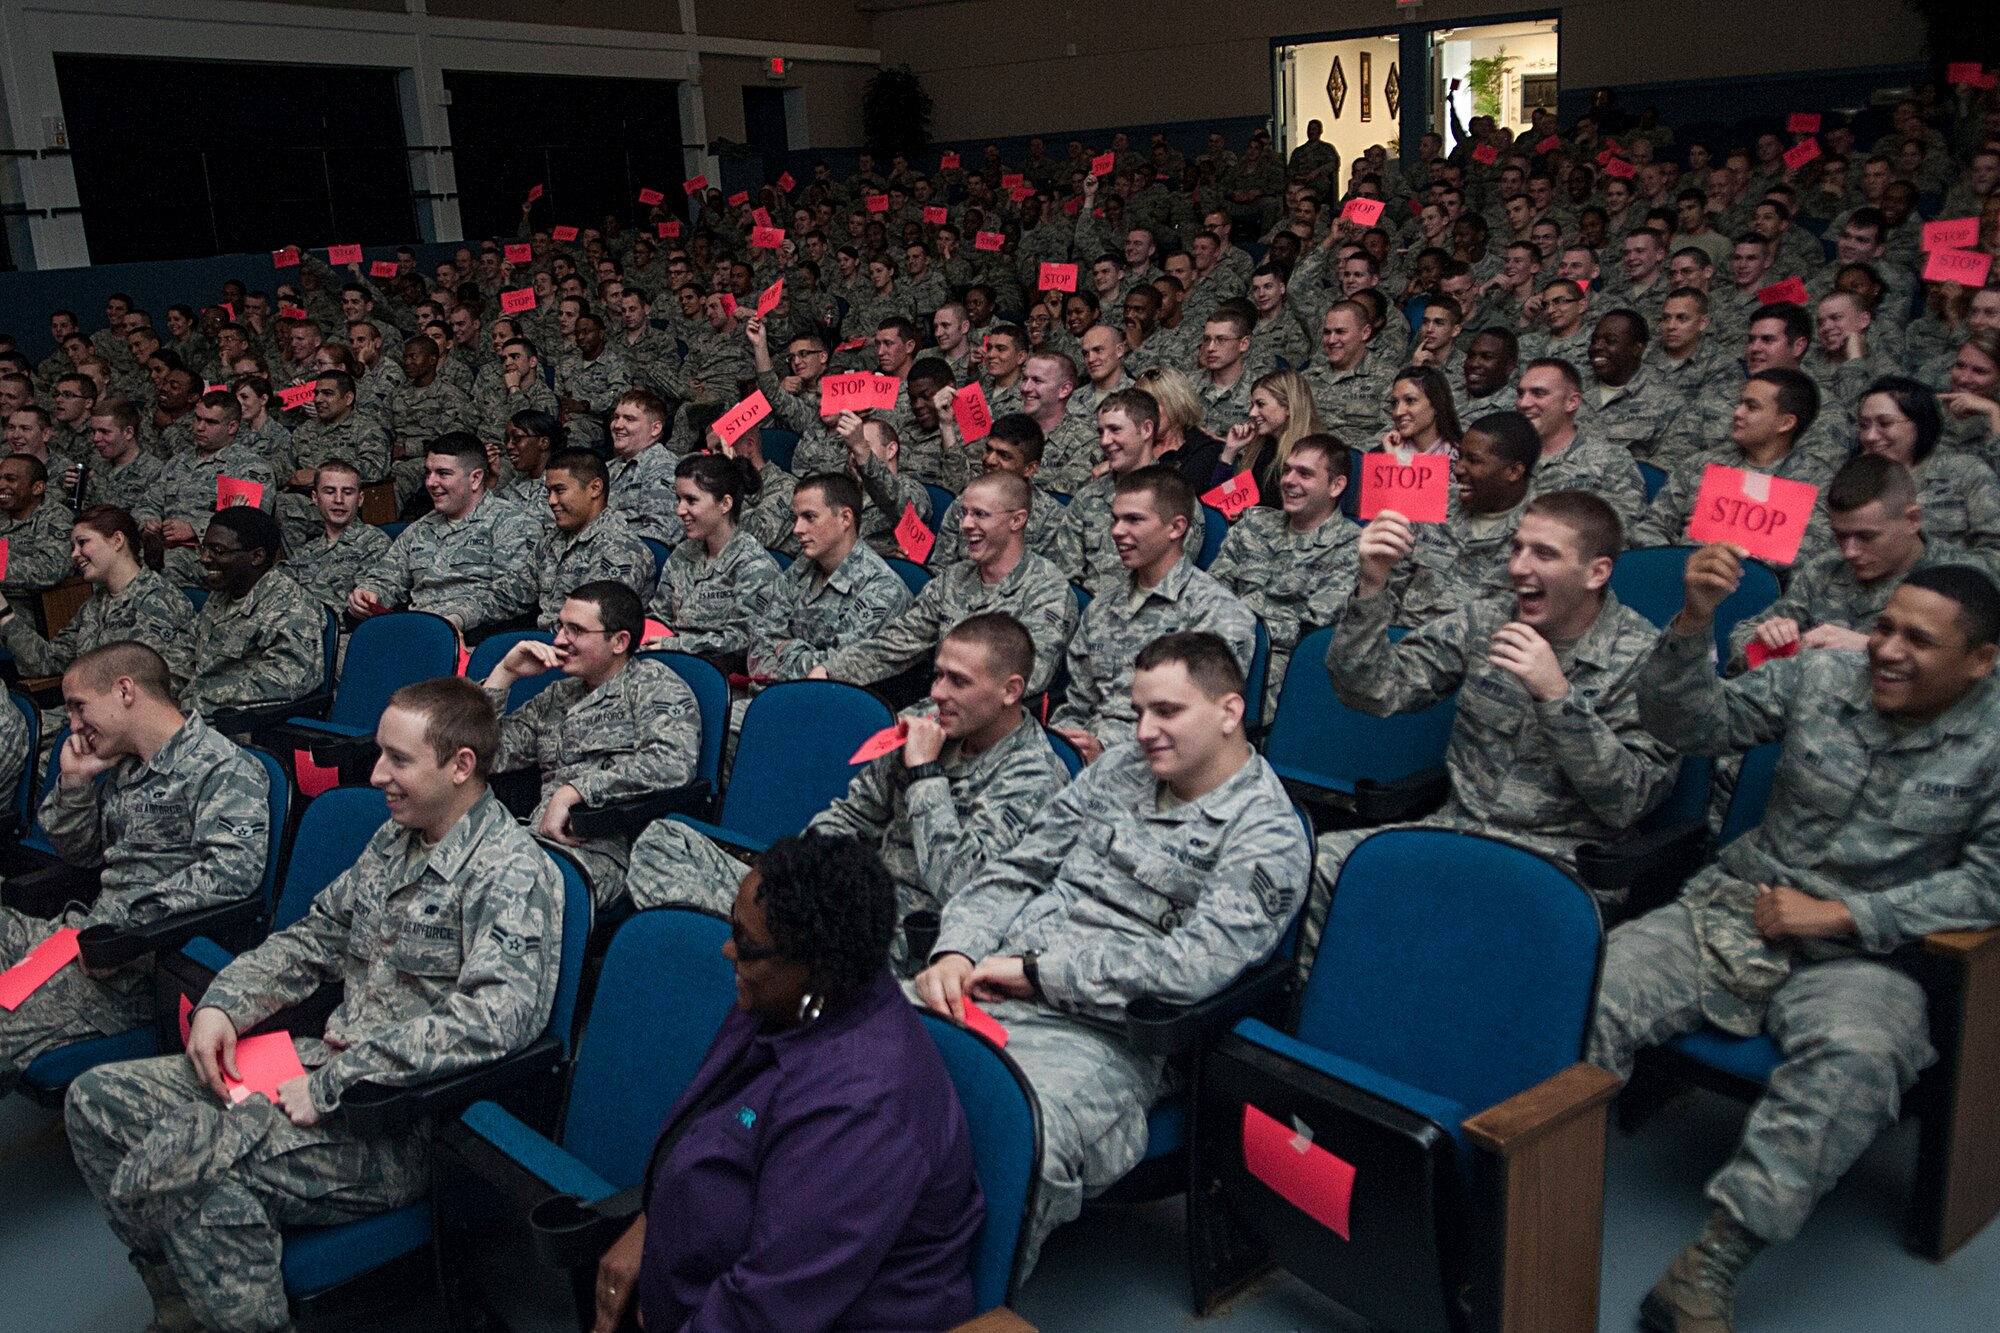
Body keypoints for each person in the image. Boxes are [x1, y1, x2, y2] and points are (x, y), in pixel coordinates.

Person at [65, 676, 562, 1333]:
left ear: (460, 764)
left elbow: (497, 1019)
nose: (377, 773)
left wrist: (335, 1082)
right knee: (96, 1102)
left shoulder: (511, 869)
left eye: (399, 759)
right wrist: (224, 1004)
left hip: (395, 1119)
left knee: (187, 1160)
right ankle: (186, 1296)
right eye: (380, 753)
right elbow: (315, 937)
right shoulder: (395, 840)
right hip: (312, 1070)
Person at [1589, 558, 2000, 1333]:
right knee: (1593, 988)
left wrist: (1845, 912)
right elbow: (1687, 725)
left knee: (1860, 1060)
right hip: (1740, 907)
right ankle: (1532, 1210)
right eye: (1884, 626)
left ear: (1981, 660)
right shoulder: (1824, 676)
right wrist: (1692, 625)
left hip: (1869, 954)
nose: (1887, 649)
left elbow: (1988, 882)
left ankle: (1709, 1267)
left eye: (1920, 639)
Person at [912, 631, 1310, 1272]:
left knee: (1014, 1136)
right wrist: (957, 950)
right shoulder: (1125, 768)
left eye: (1168, 711)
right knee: (844, 1054)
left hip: (1109, 1035)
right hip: (993, 975)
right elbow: (1019, 868)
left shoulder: (1266, 832)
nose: (1146, 730)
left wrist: (1038, 977)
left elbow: (1191, 969)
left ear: (1230, 712)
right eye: (1139, 710)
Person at [592, 833, 983, 1333]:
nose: (728, 949)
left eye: (748, 945)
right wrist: (650, 1226)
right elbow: (702, 1126)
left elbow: (767, 1310)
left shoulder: (863, 1108)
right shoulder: (787, 1001)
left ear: (815, 967)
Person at [1303, 490, 1678, 959]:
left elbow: (1628, 801)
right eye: (1517, 547)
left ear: (1596, 572)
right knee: (1314, 864)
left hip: (1560, 867)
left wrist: (1557, 697)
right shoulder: (1487, 619)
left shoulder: (1647, 660)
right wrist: (1373, 584)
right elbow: (1374, 690)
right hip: (1456, 833)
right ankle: (1316, 1017)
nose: (1519, 567)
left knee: (1471, 939)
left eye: (1544, 553)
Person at [0, 641, 270, 1097]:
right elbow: (80, 855)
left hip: (135, 963)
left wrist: (119, 928)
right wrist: (76, 782)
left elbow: (232, 872)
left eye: (79, 707)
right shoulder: (127, 768)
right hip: (86, 935)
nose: (73, 726)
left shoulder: (223, 768)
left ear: (125, 690)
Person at [485, 581, 701, 908]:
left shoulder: (654, 685)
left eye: (575, 630)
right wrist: (504, 675)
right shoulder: (559, 695)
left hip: (603, 851)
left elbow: (671, 763)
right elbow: (485, 754)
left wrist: (576, 790)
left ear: (619, 641)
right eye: (561, 627)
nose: (558, 639)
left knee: (502, 894)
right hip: (532, 839)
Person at [1050, 466, 1255, 762]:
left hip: (1162, 768)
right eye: (1115, 519)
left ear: (1176, 527)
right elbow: (1078, 706)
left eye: (1134, 520)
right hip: (1087, 762)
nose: (1117, 531)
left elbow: (1199, 726)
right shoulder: (1101, 609)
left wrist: (1107, 754)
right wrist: (1060, 746)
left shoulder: (1217, 613)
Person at [814, 470, 1077, 699]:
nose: (965, 524)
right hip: (938, 709)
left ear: (1017, 520)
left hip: (996, 730)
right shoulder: (953, 579)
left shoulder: (1047, 589)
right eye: (964, 513)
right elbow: (900, 641)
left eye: (980, 515)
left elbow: (1030, 678)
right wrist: (831, 670)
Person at [1731, 455, 1987, 669]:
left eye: (1866, 536)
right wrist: (1774, 640)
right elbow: (1741, 643)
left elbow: (1985, 673)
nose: (1850, 551)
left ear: (1912, 520)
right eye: (1840, 536)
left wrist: (1871, 647)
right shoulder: (1825, 570)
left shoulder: (1966, 579)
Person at [1206, 433, 1358, 719]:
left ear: (1336, 485)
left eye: (1305, 474)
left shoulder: (1351, 546)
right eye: (1287, 470)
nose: (1288, 480)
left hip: (1283, 669)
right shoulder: (1254, 525)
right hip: (1221, 648)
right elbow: (1212, 591)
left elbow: (1314, 631)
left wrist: (1243, 627)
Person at [348, 433, 540, 635]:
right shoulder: (420, 528)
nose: (431, 482)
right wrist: (370, 593)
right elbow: (386, 576)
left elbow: (514, 593)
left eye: (443, 473)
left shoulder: (513, 523)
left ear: (475, 478)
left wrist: (458, 618)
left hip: (475, 640)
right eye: (428, 473)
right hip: (417, 634)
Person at [1633, 369, 1829, 555]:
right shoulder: (1700, 465)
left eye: (1751, 407)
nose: (1737, 413)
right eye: (1740, 403)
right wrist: (1676, 564)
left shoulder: (1814, 482)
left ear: (1786, 423)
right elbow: (1652, 527)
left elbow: (1813, 560)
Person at [745, 473, 913, 685]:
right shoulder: (802, 568)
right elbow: (761, 638)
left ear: (845, 518)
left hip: (835, 706)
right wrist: (778, 672)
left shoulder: (882, 589)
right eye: (796, 518)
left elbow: (835, 670)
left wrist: (787, 648)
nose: (797, 529)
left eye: (809, 517)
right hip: (775, 692)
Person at [0, 505, 191, 686]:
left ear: (117, 541)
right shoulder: (95, 605)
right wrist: (4, 614)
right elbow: (48, 661)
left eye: (82, 542)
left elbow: (157, 690)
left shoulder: (160, 600)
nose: (74, 554)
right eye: (72, 547)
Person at [1055, 389, 1207, 597]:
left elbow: (1172, 581)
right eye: (1101, 431)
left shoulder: (1176, 499)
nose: (1104, 441)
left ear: (1146, 429)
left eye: (1115, 430)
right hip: (1089, 615)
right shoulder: (1087, 498)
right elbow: (1066, 578)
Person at [181, 507, 326, 721]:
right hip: (194, 717)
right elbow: (186, 652)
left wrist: (193, 704)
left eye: (218, 551)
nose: (204, 558)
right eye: (204, 548)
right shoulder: (221, 595)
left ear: (256, 556)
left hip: (239, 726)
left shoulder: (290, 606)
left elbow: (288, 679)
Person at [646, 453, 781, 669]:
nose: (679, 510)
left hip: (717, 676)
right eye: (678, 499)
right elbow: (659, 615)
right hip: (667, 664)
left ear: (725, 504)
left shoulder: (754, 566)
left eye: (691, 500)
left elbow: (743, 640)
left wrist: (677, 645)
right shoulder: (683, 553)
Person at [1516, 357, 1648, 527]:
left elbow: (1622, 530)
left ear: (1571, 402)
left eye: (1539, 393)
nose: (1523, 403)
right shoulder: (1505, 458)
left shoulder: (1611, 460)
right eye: (1520, 394)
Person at [533, 447, 655, 629]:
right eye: (549, 492)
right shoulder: (553, 540)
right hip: (546, 644)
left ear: (595, 488)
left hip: (583, 648)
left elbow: (593, 625)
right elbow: (513, 592)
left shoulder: (620, 548)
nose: (551, 500)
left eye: (559, 491)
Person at [282, 459, 393, 620]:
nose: (339, 500)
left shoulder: (374, 543)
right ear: (315, 497)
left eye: (348, 492)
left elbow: (362, 608)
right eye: (329, 491)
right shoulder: (305, 552)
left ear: (360, 499)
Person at [1213, 368, 1321, 511]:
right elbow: (1220, 500)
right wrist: (1230, 451)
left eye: (1261, 404)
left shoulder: (1314, 456)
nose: (1252, 413)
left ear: (1288, 407)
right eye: (1252, 406)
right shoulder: (1263, 447)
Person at [0, 455, 76, 615]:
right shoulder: (3, 513)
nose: (1, 485)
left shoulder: (56, 517)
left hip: (32, 612)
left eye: (10, 479)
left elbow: (51, 569)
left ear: (37, 488)